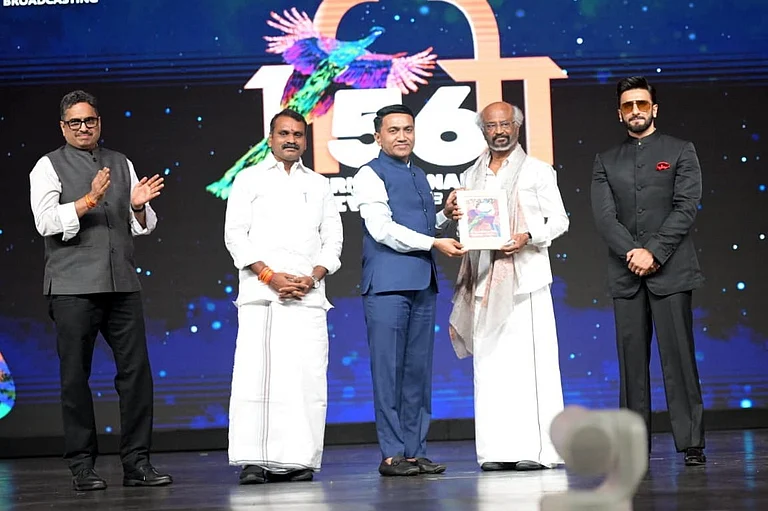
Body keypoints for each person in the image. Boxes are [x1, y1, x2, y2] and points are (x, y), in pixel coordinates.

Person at [29, 90, 171, 491]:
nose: (83, 127)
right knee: (75, 377)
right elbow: (45, 222)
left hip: (122, 283)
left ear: (99, 123)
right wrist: (88, 199)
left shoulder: (120, 162)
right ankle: (82, 466)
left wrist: (138, 205)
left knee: (136, 375)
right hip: (73, 287)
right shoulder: (47, 166)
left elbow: (139, 225)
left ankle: (137, 463)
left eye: (89, 120)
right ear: (63, 126)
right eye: (75, 122)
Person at [443, 101, 569, 471]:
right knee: (490, 367)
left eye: (506, 124)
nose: (499, 131)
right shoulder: (470, 177)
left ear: (517, 127)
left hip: (524, 280)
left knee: (531, 367)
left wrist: (529, 235)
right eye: (491, 126)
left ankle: (536, 450)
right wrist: (455, 215)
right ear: (483, 131)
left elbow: (560, 220)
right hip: (482, 279)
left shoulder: (538, 171)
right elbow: (471, 226)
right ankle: (496, 451)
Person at [590, 76, 706, 465]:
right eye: (628, 105)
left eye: (642, 103)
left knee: (679, 360)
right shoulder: (605, 160)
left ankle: (691, 441)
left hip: (671, 272)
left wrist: (653, 252)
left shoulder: (680, 150)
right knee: (632, 364)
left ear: (654, 108)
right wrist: (633, 252)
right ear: (619, 112)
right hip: (626, 275)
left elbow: (686, 207)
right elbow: (605, 219)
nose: (635, 110)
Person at [224, 108, 343, 484]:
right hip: (262, 294)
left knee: (306, 380)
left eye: (298, 135)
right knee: (256, 379)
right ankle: (254, 461)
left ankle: (298, 459)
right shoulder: (248, 179)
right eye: (284, 134)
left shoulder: (320, 185)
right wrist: (269, 275)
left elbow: (333, 240)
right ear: (271, 138)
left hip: (308, 296)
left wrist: (313, 277)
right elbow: (235, 236)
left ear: (306, 140)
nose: (291, 140)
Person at [351, 104, 466, 476]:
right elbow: (383, 230)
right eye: (394, 130)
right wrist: (434, 244)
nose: (402, 136)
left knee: (418, 372)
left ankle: (415, 451)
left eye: (408, 129)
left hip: (421, 282)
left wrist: (445, 215)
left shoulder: (417, 173)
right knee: (388, 372)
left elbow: (423, 226)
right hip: (386, 286)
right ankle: (391, 454)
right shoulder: (369, 175)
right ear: (377, 137)